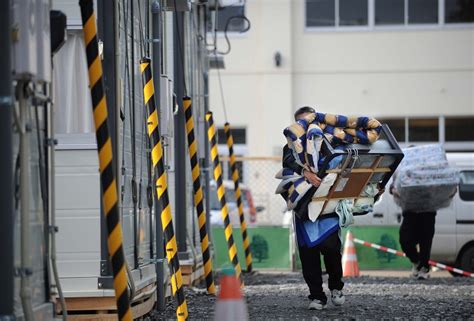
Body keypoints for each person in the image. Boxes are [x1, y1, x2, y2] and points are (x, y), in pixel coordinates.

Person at [282, 106, 345, 310]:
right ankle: (317, 296)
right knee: (308, 256)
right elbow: (288, 163)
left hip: (327, 207)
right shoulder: (289, 147)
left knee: (332, 250)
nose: (305, 127)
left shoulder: (329, 141)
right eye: (301, 123)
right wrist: (305, 172)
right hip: (304, 209)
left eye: (309, 121)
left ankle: (336, 287)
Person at [390, 180, 437, 280]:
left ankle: (424, 268)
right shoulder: (407, 169)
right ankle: (416, 262)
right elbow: (394, 185)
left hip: (428, 212)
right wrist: (394, 189)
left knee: (425, 242)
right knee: (405, 240)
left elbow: (442, 188)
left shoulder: (432, 171)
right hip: (410, 212)